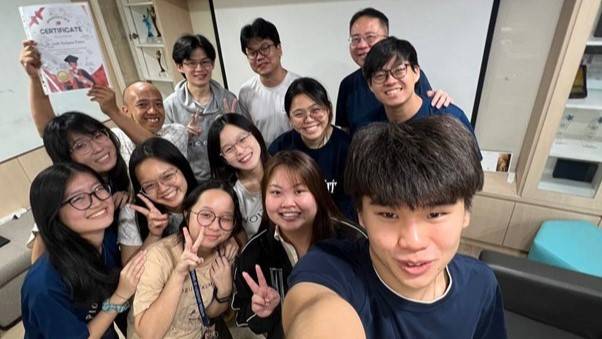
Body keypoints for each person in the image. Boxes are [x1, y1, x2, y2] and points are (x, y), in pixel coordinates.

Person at [283, 117, 507, 338]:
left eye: (435, 214)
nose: (413, 241)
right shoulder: (330, 267)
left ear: (466, 213)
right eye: (389, 215)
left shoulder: (481, 283)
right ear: (361, 215)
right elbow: (315, 313)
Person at [232, 151, 366, 339]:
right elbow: (245, 316)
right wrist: (264, 312)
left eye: (299, 191)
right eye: (276, 192)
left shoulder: (352, 241)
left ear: (318, 193)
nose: (287, 203)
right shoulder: (253, 255)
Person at [21, 163, 146, 338]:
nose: (96, 201)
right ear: (54, 214)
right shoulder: (45, 285)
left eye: (98, 188)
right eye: (77, 198)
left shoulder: (107, 240)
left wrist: (154, 234)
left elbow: (131, 269)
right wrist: (119, 296)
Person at [132, 179, 242, 339]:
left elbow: (210, 312)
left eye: (225, 218)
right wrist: (178, 274)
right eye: (206, 215)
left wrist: (225, 290)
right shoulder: (158, 256)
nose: (215, 226)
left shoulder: (225, 254)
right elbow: (149, 334)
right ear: (187, 214)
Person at [335, 8, 450, 135]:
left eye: (370, 37)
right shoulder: (347, 85)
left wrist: (442, 101)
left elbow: (429, 111)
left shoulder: (407, 75)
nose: (362, 45)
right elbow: (346, 133)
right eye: (355, 39)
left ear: (386, 40)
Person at [363, 37, 481, 157]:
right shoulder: (369, 129)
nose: (390, 81)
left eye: (399, 70)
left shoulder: (450, 118)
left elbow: (472, 172)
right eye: (380, 75)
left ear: (416, 72)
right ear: (370, 85)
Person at [165, 34, 249, 181]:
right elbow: (167, 154)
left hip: (230, 177)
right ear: (180, 66)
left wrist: (234, 125)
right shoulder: (170, 106)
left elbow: (246, 140)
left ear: (212, 64)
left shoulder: (228, 99)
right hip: (192, 183)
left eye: (205, 62)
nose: (200, 69)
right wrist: (184, 136)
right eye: (191, 63)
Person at [270, 77, 354, 220]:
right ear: (289, 118)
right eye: (299, 114)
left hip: (338, 228)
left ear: (328, 110)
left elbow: (351, 204)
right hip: (296, 224)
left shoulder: (348, 148)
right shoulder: (280, 148)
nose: (308, 119)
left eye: (315, 110)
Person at [118, 138, 198, 265]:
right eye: (149, 185)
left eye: (167, 176)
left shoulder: (207, 196)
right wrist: (154, 235)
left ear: (183, 168)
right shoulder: (132, 213)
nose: (163, 189)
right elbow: (128, 273)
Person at [88, 81, 188, 165]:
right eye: (142, 105)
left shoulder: (177, 131)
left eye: (158, 104)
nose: (153, 111)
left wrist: (113, 111)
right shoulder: (116, 137)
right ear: (126, 111)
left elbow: (156, 148)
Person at [238, 18, 301, 145]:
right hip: (267, 161)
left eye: (265, 48)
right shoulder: (246, 92)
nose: (259, 57)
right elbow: (249, 134)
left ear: (279, 49)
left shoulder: (300, 86)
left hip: (298, 160)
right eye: (252, 52)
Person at [208, 113, 270, 240]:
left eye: (242, 139)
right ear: (223, 159)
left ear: (254, 133)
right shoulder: (229, 194)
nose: (240, 151)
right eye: (229, 149)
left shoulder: (286, 170)